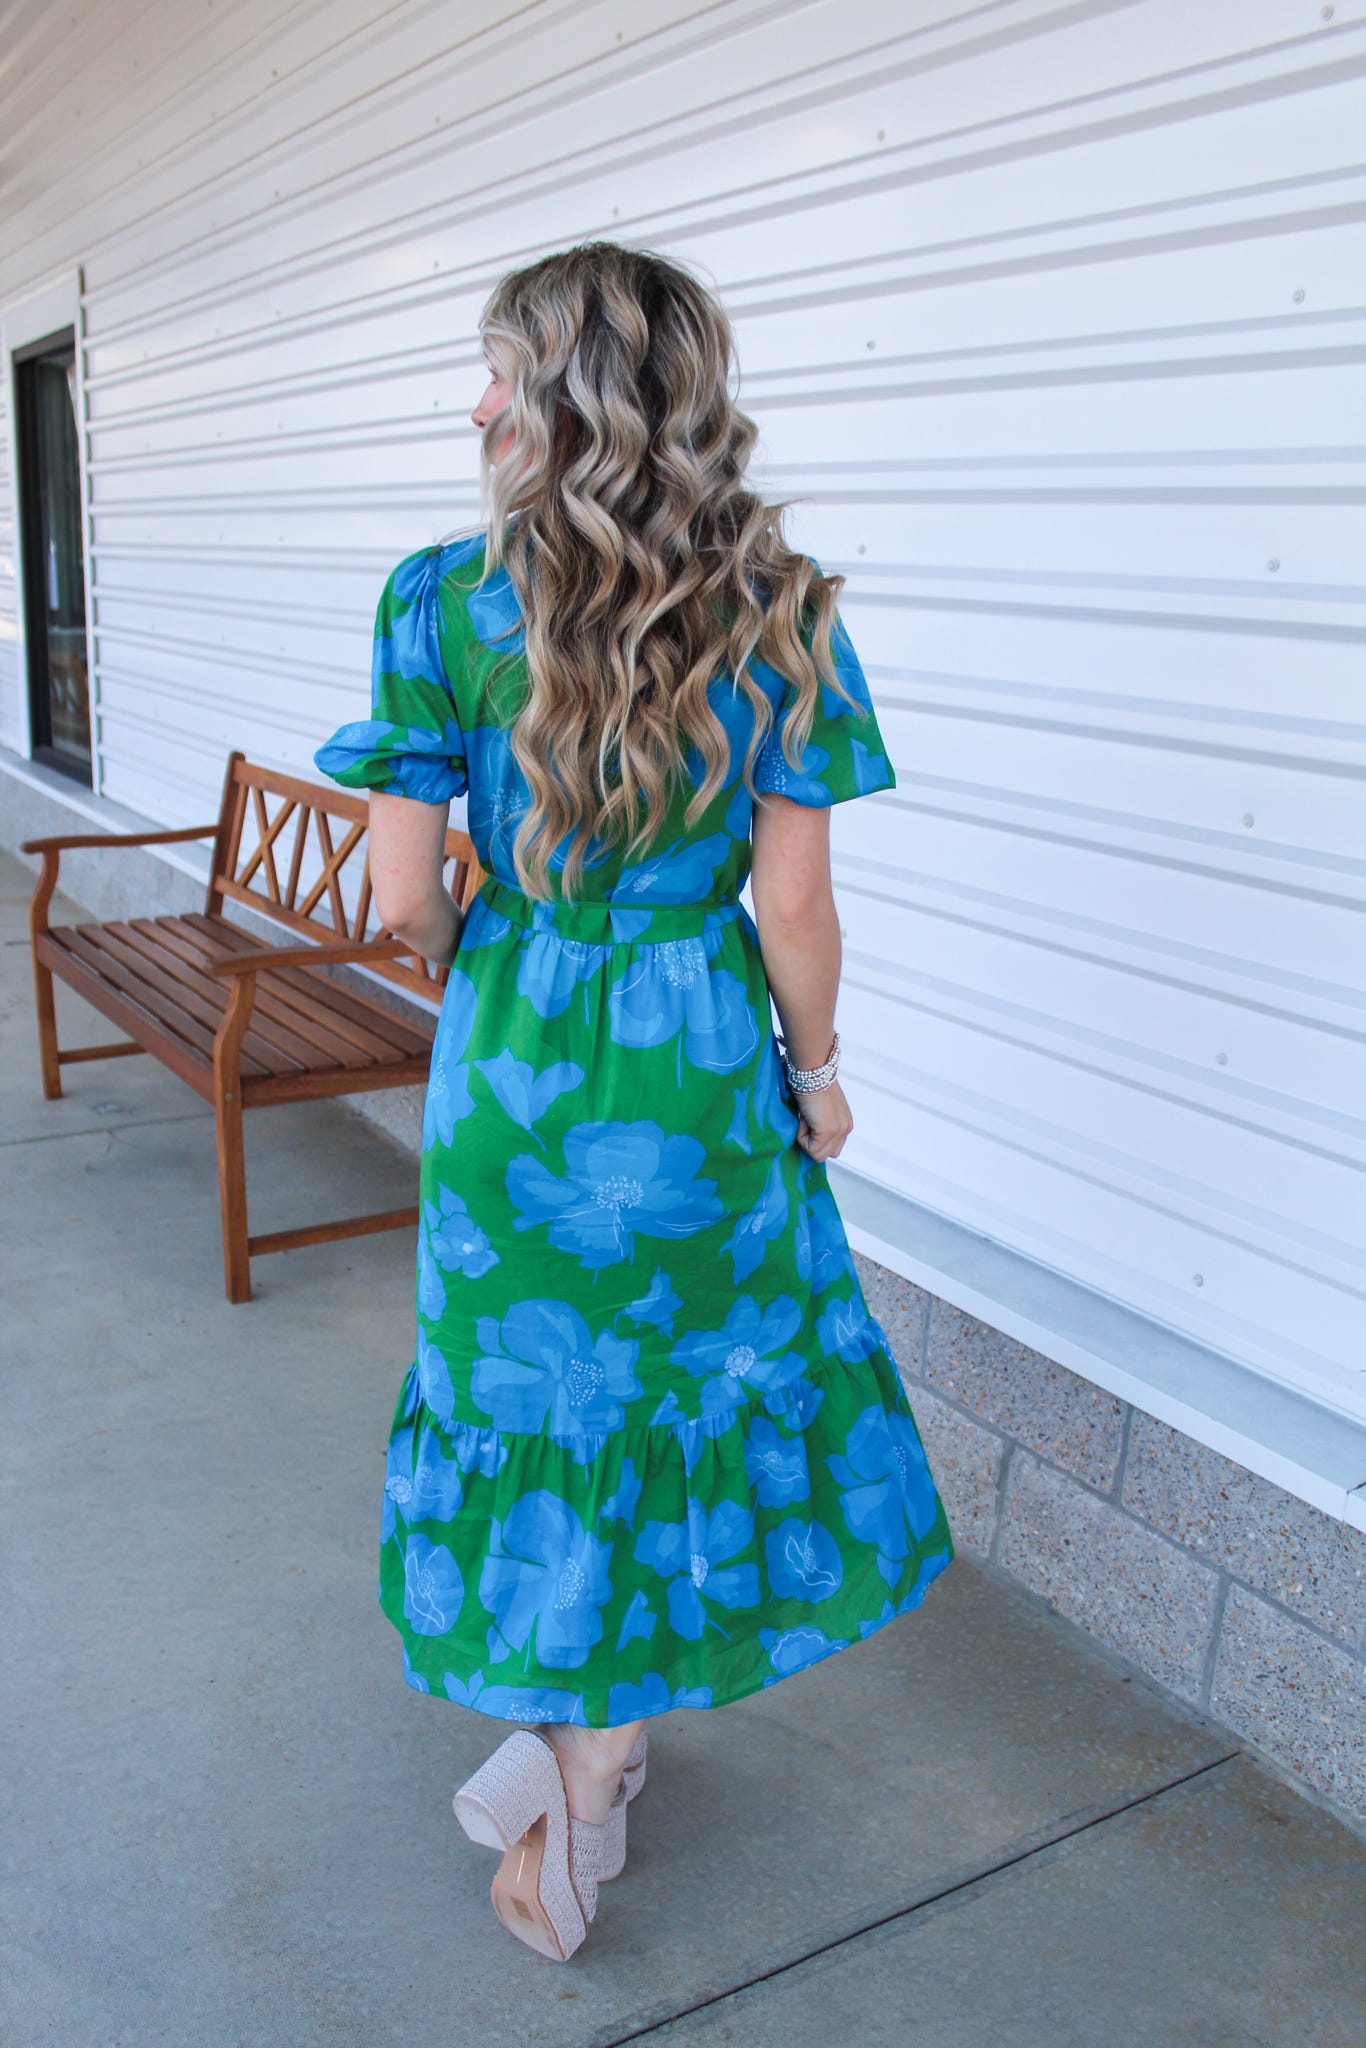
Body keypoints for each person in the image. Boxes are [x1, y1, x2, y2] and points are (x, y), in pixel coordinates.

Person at [313, 241, 954, 1963]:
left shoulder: (437, 599)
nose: (475, 403)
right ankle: (593, 1747)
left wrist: (485, 957)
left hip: (518, 1060)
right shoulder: (783, 606)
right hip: (697, 1064)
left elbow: (398, 898)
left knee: (540, 1398)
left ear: (563, 398)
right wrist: (818, 1080)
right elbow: (795, 907)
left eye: (497, 371)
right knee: (671, 1395)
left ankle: (578, 1767)